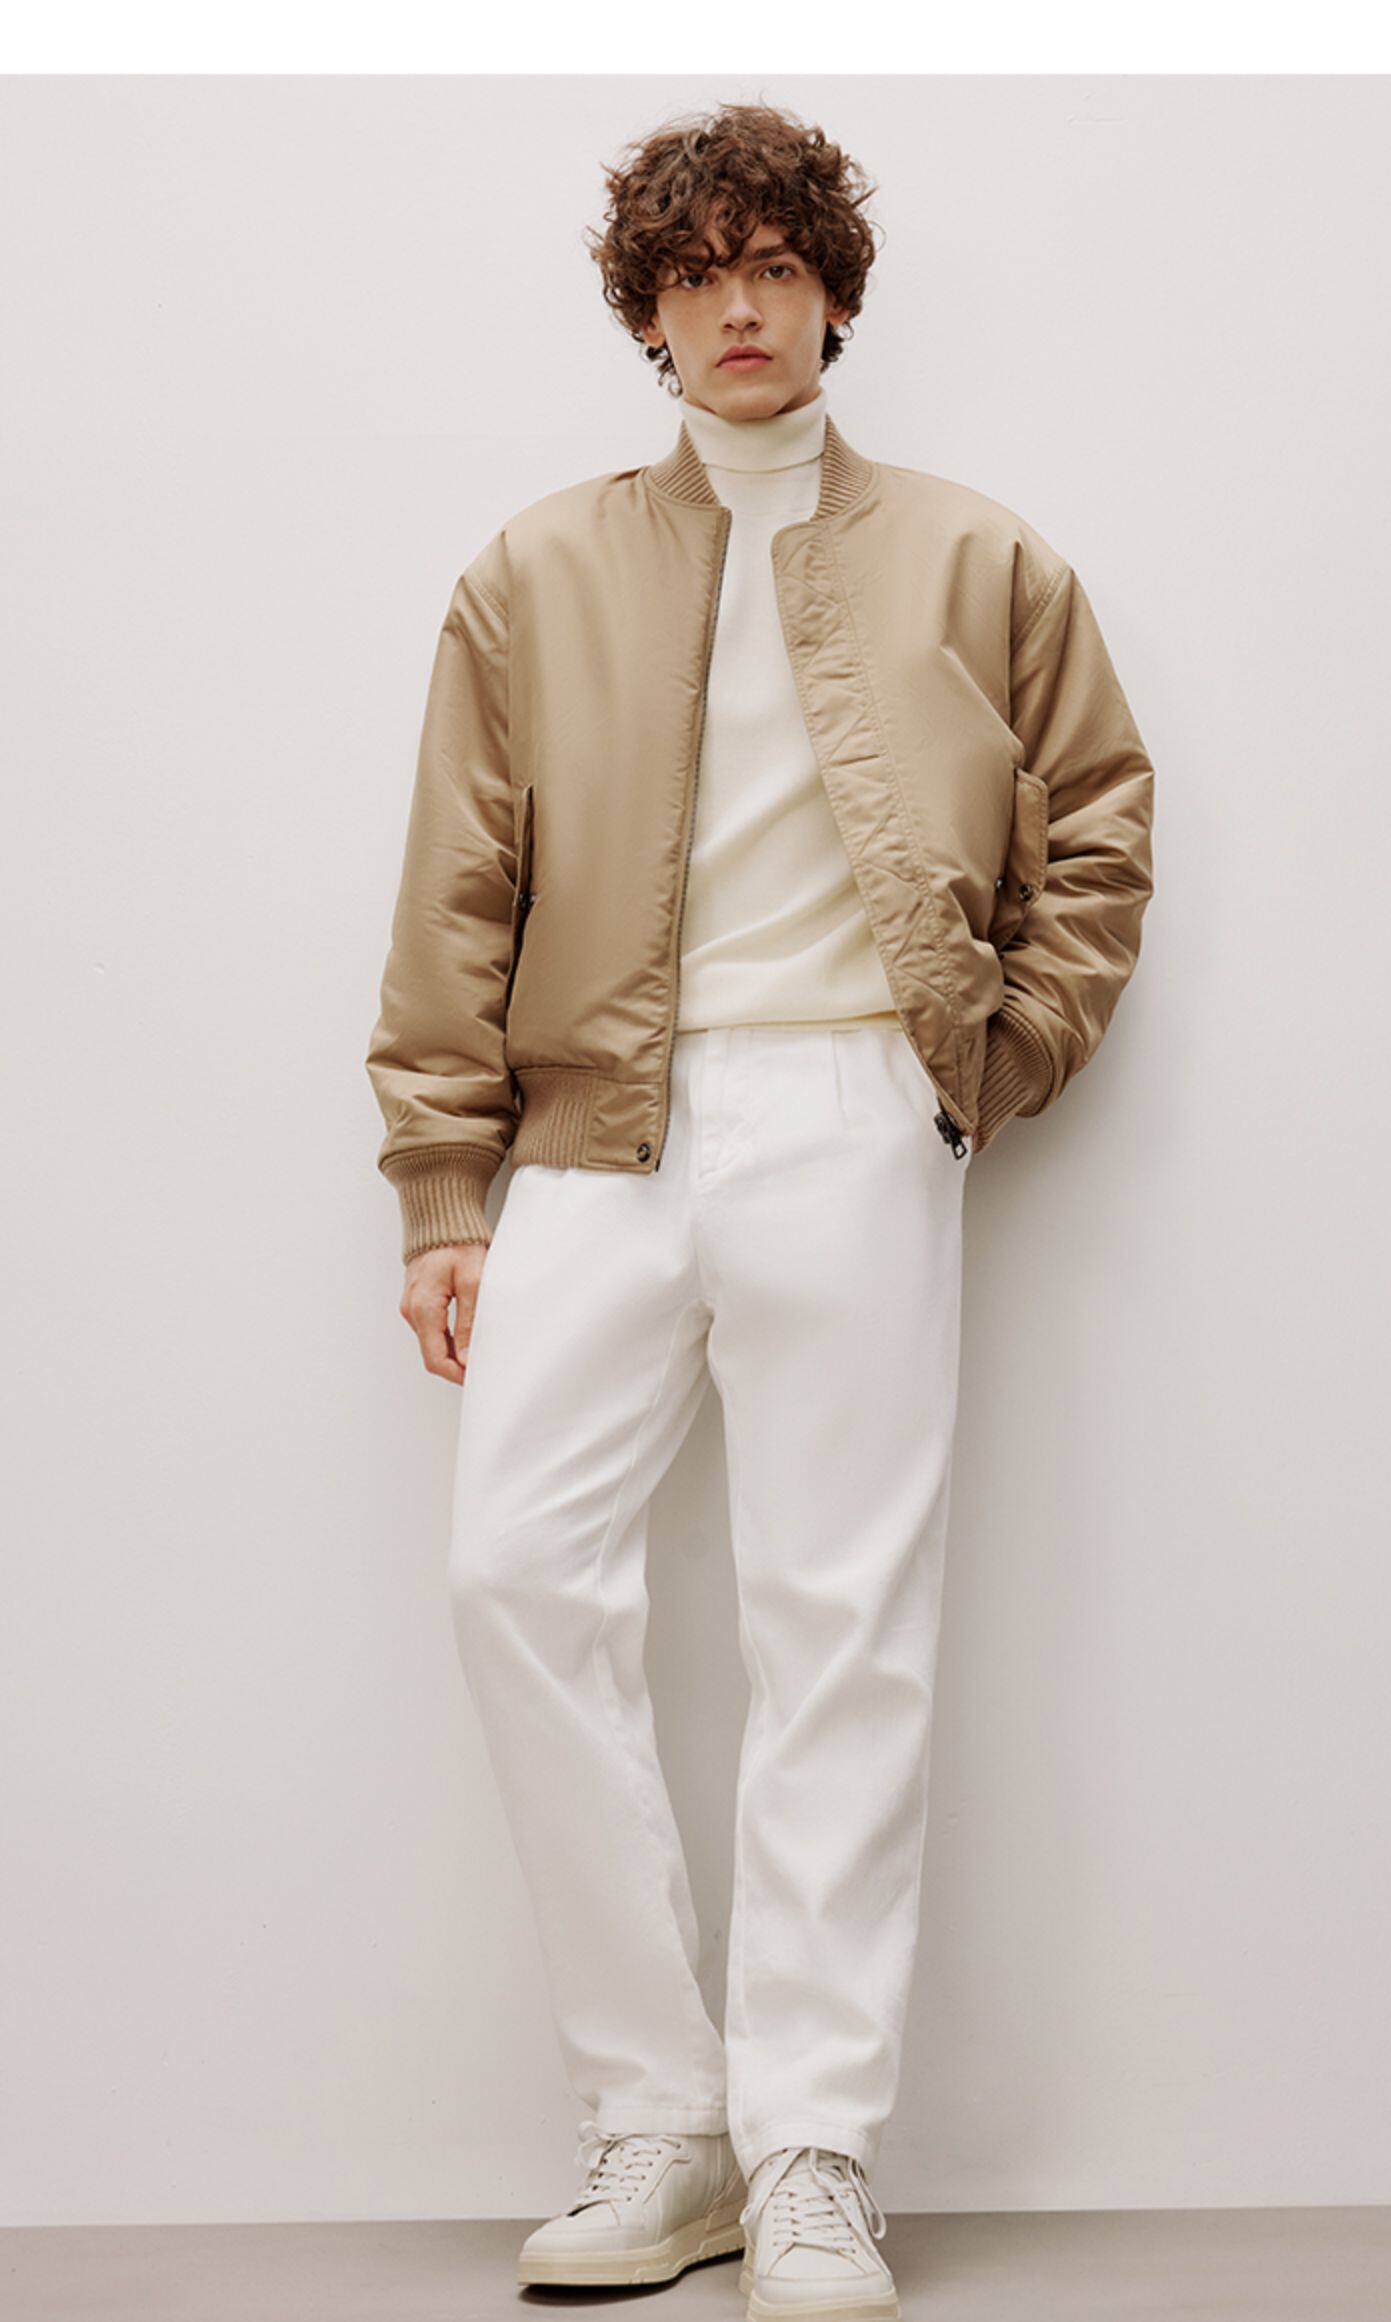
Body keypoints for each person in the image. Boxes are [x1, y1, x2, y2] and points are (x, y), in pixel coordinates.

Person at [365, 99, 1155, 2322]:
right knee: (516, 1572)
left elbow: (1100, 822)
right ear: (649, 311)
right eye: (699, 271)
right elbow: (458, 889)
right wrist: (443, 1182)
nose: (741, 303)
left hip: (854, 1107)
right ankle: (666, 2115)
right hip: (593, 1126)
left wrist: (985, 1059)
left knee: (843, 1625)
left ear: (832, 295)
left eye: (778, 265)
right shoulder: (534, 573)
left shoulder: (982, 560)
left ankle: (813, 2145)